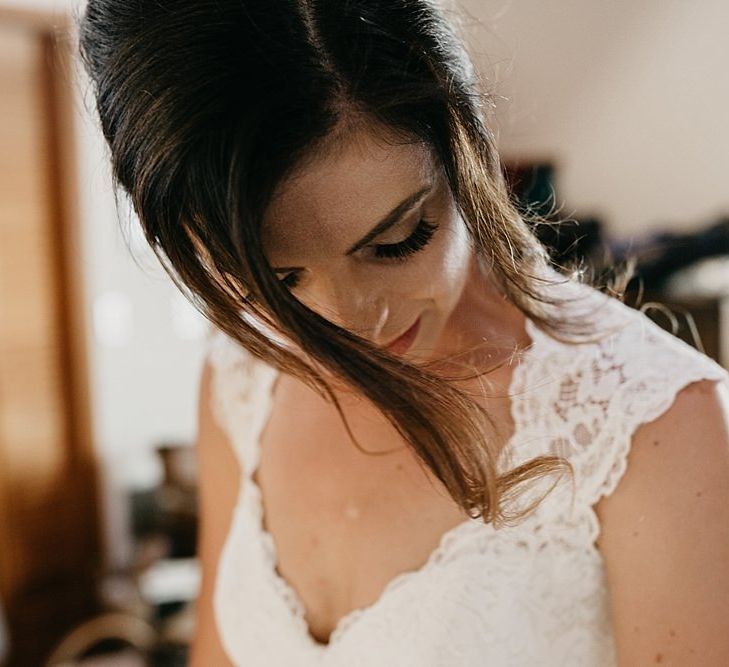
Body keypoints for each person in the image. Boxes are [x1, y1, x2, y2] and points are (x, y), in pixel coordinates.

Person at [76, 1, 729, 664]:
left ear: (467, 149)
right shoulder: (243, 370)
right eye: (275, 282)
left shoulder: (651, 420)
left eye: (396, 240)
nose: (350, 325)